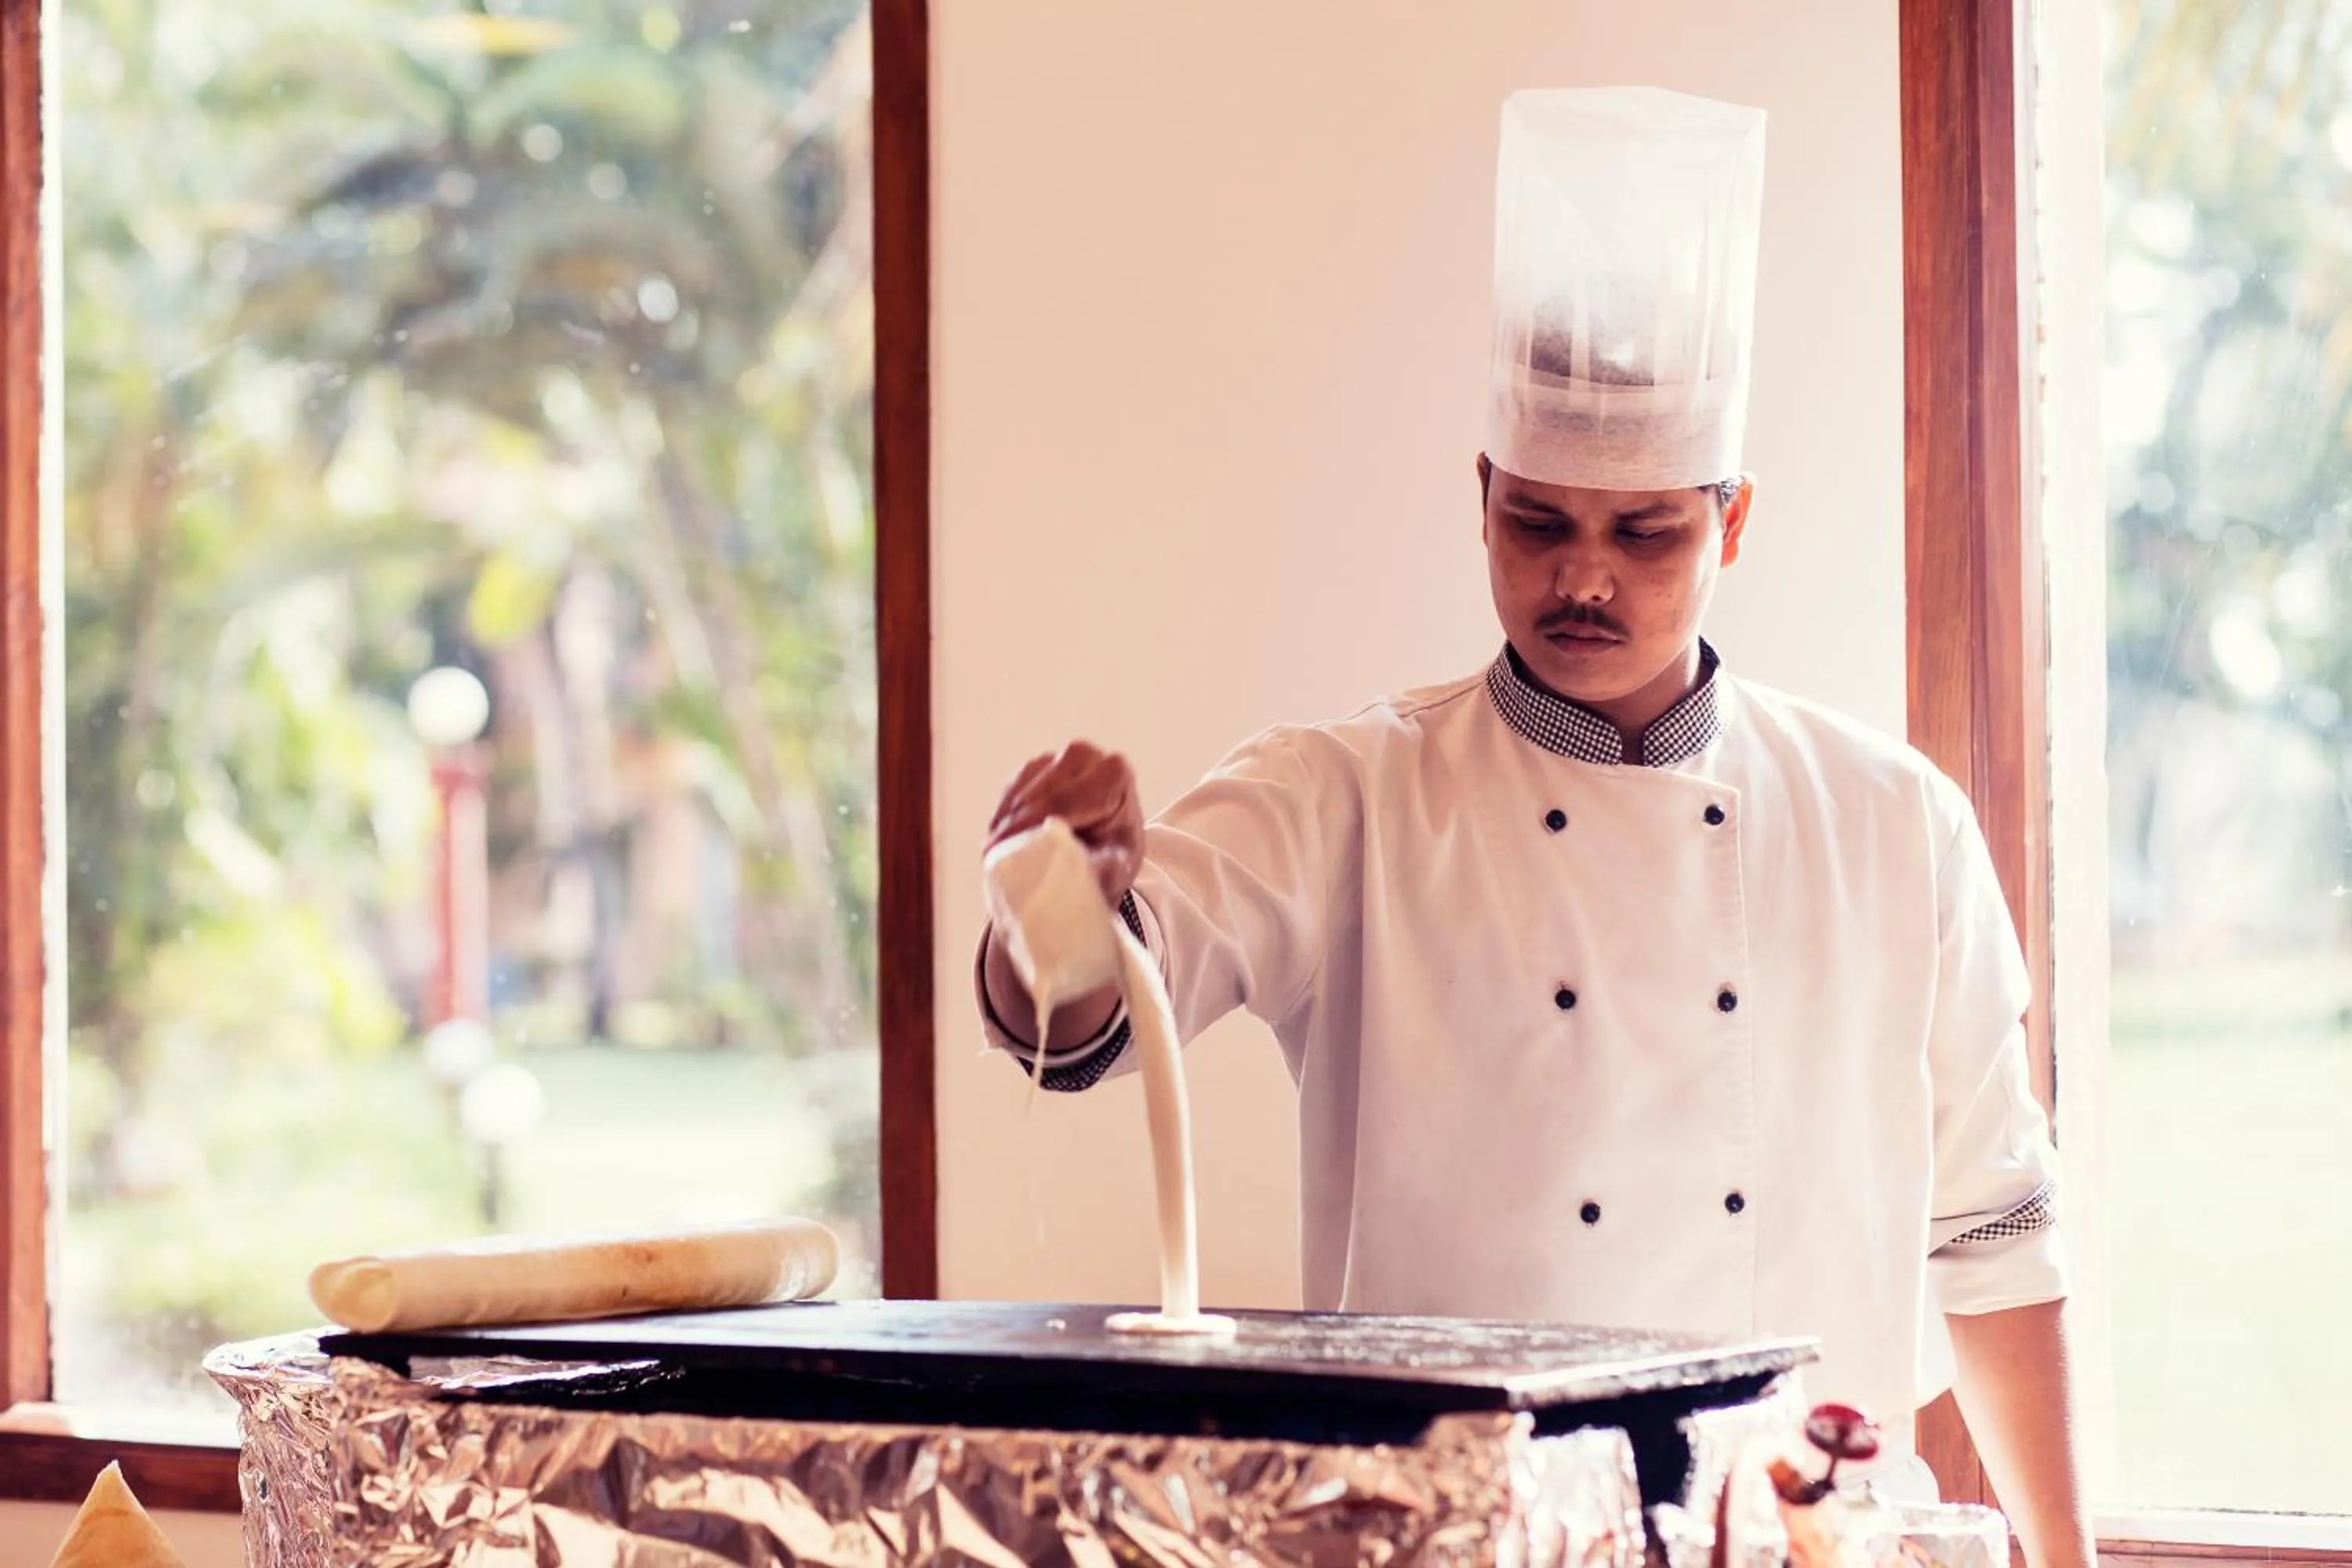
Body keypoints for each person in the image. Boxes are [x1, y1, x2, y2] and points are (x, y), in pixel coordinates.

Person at [976, 86, 2090, 1566]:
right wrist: (1051, 889)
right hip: (1456, 1535)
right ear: (1482, 497)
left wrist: (2070, 1560)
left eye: (1647, 534)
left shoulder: (1895, 824)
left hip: (1793, 1538)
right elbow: (1099, 1009)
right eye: (1540, 525)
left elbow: (1995, 1238)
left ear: (1733, 521)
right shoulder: (1349, 793)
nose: (1587, 581)